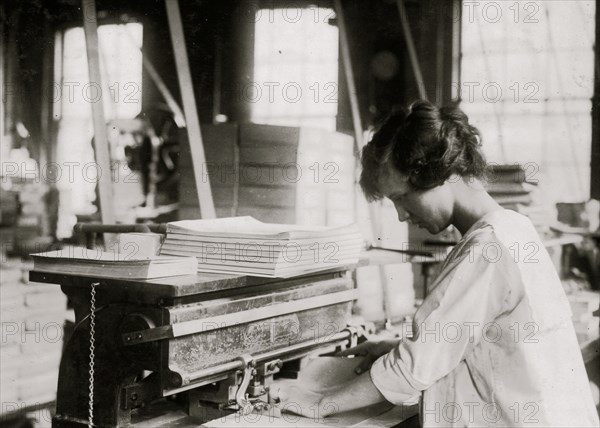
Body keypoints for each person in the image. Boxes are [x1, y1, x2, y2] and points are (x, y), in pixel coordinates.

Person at [275, 100, 599, 427]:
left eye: (401, 197)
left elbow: (411, 370)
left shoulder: (486, 249)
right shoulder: (514, 228)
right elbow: (481, 342)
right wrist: (401, 347)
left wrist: (321, 403)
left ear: (440, 172)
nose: (401, 214)